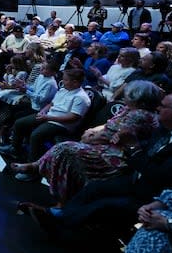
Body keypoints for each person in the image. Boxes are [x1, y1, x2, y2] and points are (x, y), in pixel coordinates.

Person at [22, 94, 172, 234]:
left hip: (159, 195)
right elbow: (149, 150)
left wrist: (133, 147)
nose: (157, 108)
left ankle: (60, 224)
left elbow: (161, 177)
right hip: (138, 178)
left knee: (105, 204)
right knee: (94, 189)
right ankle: (60, 214)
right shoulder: (168, 128)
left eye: (163, 106)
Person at [9, 81, 160, 205]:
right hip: (104, 144)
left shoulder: (140, 116)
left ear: (138, 98)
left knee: (64, 149)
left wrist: (90, 136)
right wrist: (94, 130)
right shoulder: (129, 109)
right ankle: (38, 170)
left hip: (114, 156)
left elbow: (116, 136)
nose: (124, 96)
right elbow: (109, 125)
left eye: (128, 95)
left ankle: (39, 171)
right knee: (59, 147)